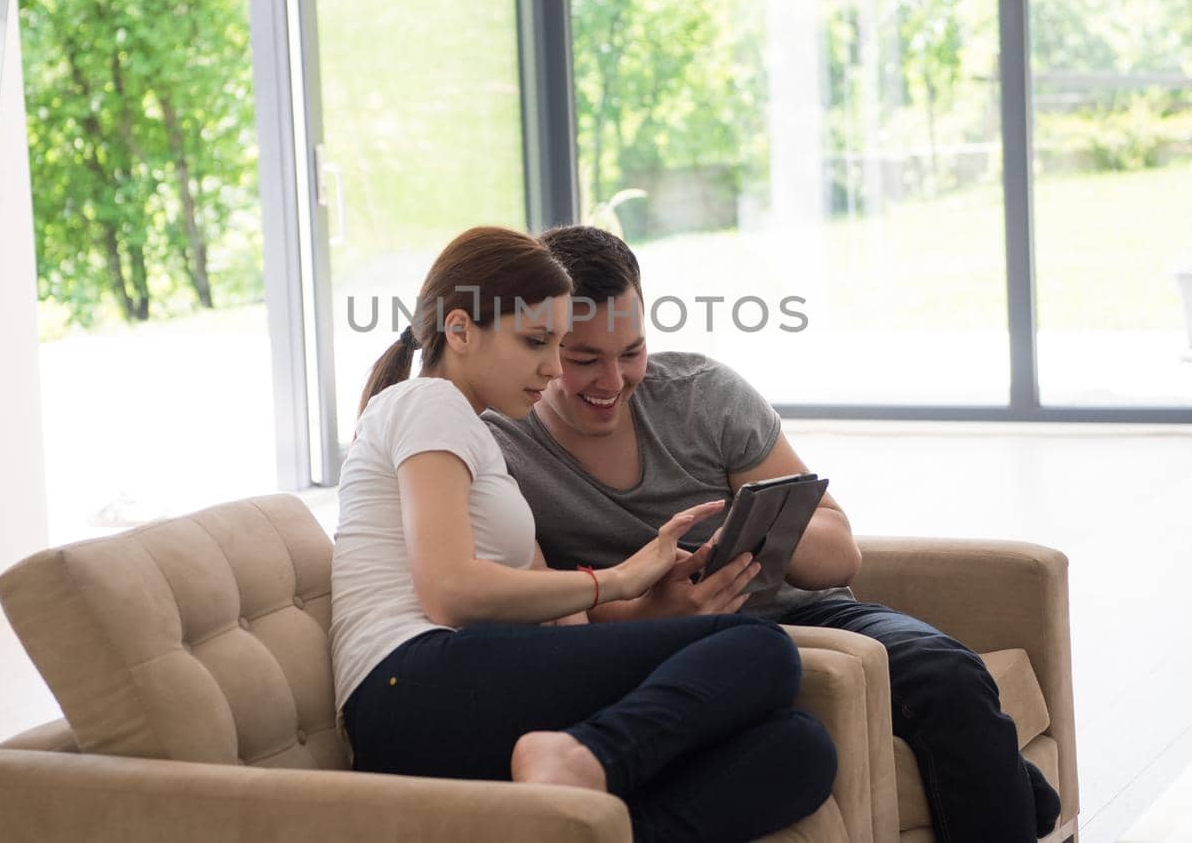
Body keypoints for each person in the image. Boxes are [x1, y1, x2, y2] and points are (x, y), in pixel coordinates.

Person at [484, 225, 1063, 843]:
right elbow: (539, 610)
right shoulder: (503, 445)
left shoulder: (704, 395)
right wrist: (656, 610)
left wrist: (762, 531)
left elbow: (841, 555)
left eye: (631, 351)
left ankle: (1016, 800)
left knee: (948, 673)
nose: (612, 381)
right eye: (583, 360)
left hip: (810, 614)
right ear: (541, 346)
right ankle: (1020, 798)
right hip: (661, 654)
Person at [330, 225, 837, 843]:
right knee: (760, 648)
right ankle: (579, 759)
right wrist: (615, 579)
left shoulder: (474, 437)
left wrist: (655, 602)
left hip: (464, 682)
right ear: (459, 331)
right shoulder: (428, 403)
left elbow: (549, 614)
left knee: (797, 750)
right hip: (409, 683)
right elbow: (449, 592)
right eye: (538, 342)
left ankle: (586, 809)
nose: (550, 369)